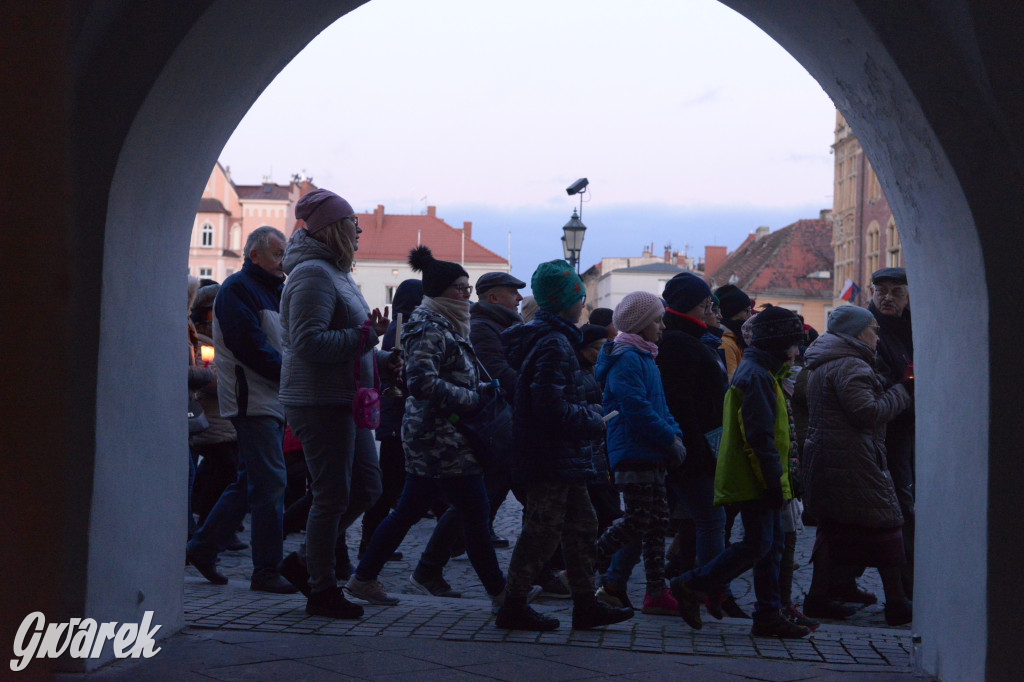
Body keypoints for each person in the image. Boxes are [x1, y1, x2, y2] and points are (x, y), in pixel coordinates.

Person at [347, 246, 509, 612]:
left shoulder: (448, 323)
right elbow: (421, 382)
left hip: (442, 436)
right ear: (439, 291)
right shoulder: (431, 327)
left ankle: (364, 577)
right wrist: (471, 399)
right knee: (476, 514)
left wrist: (481, 390)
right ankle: (502, 595)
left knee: (410, 508)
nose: (466, 295)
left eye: (468, 289)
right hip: (441, 438)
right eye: (459, 288)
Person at [496, 260, 633, 632]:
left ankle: (585, 604)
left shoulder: (554, 338)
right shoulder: (556, 343)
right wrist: (593, 419)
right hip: (551, 454)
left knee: (583, 526)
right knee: (542, 531)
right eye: (580, 297)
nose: (584, 305)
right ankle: (513, 605)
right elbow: (548, 405)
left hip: (560, 455)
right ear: (565, 302)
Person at [278, 189, 394, 618]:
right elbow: (308, 343)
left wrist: (381, 358)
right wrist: (368, 337)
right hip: (318, 400)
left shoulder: (336, 273)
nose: (360, 229)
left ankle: (307, 561)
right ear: (333, 229)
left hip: (345, 399)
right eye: (352, 223)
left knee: (366, 486)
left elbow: (353, 338)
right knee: (332, 495)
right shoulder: (312, 275)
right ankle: (322, 587)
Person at [670, 306, 811, 638]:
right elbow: (759, 437)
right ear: (778, 344)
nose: (797, 352)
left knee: (771, 544)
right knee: (757, 544)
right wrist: (772, 481)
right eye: (794, 344)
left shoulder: (765, 372)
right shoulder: (757, 376)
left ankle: (768, 612)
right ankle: (692, 584)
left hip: (763, 477)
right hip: (756, 478)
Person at [185, 226, 297, 594]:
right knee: (270, 482)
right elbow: (250, 346)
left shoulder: (275, 291)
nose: (284, 261)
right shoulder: (236, 290)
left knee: (252, 480)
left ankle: (202, 548)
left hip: (271, 398)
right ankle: (266, 570)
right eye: (278, 253)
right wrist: (291, 373)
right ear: (255, 256)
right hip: (253, 399)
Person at [801, 305, 914, 626]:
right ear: (856, 332)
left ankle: (819, 597)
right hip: (854, 459)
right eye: (873, 329)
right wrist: (903, 391)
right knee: (887, 524)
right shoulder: (851, 365)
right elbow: (867, 412)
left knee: (834, 530)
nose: (877, 335)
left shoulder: (831, 361)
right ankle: (897, 602)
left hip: (833, 457)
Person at [593, 291, 684, 616]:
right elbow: (636, 409)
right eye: (657, 320)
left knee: (657, 522)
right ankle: (584, 562)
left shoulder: (645, 355)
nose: (662, 327)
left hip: (652, 451)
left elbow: (660, 405)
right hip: (634, 452)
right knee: (637, 520)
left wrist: (675, 434)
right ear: (640, 324)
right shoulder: (627, 357)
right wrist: (667, 439)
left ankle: (652, 592)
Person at [360, 279, 424, 561]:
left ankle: (374, 541)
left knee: (392, 483)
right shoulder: (403, 326)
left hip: (394, 416)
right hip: (396, 417)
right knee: (389, 484)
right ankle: (371, 542)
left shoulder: (403, 325)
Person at [867, 266, 916, 598]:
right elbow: (876, 386)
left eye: (896, 292)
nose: (887, 297)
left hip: (912, 429)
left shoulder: (916, 325)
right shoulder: (868, 329)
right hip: (889, 432)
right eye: (881, 290)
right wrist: (906, 388)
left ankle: (833, 584)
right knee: (897, 505)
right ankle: (904, 588)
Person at [714, 284, 753, 380]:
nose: (751, 316)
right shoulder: (725, 343)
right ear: (732, 312)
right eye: (747, 311)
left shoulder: (736, 338)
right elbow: (733, 381)